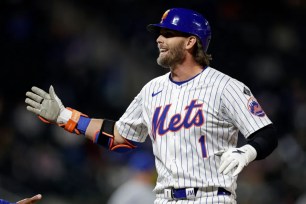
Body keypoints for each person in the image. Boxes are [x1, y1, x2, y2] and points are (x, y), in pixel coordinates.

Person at [25, 8, 278, 204]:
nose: (159, 39)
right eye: (159, 33)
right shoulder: (152, 90)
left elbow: (266, 134)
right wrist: (64, 116)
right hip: (163, 198)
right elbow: (120, 137)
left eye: (168, 34)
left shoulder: (225, 86)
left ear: (190, 42)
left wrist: (247, 153)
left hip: (211, 196)